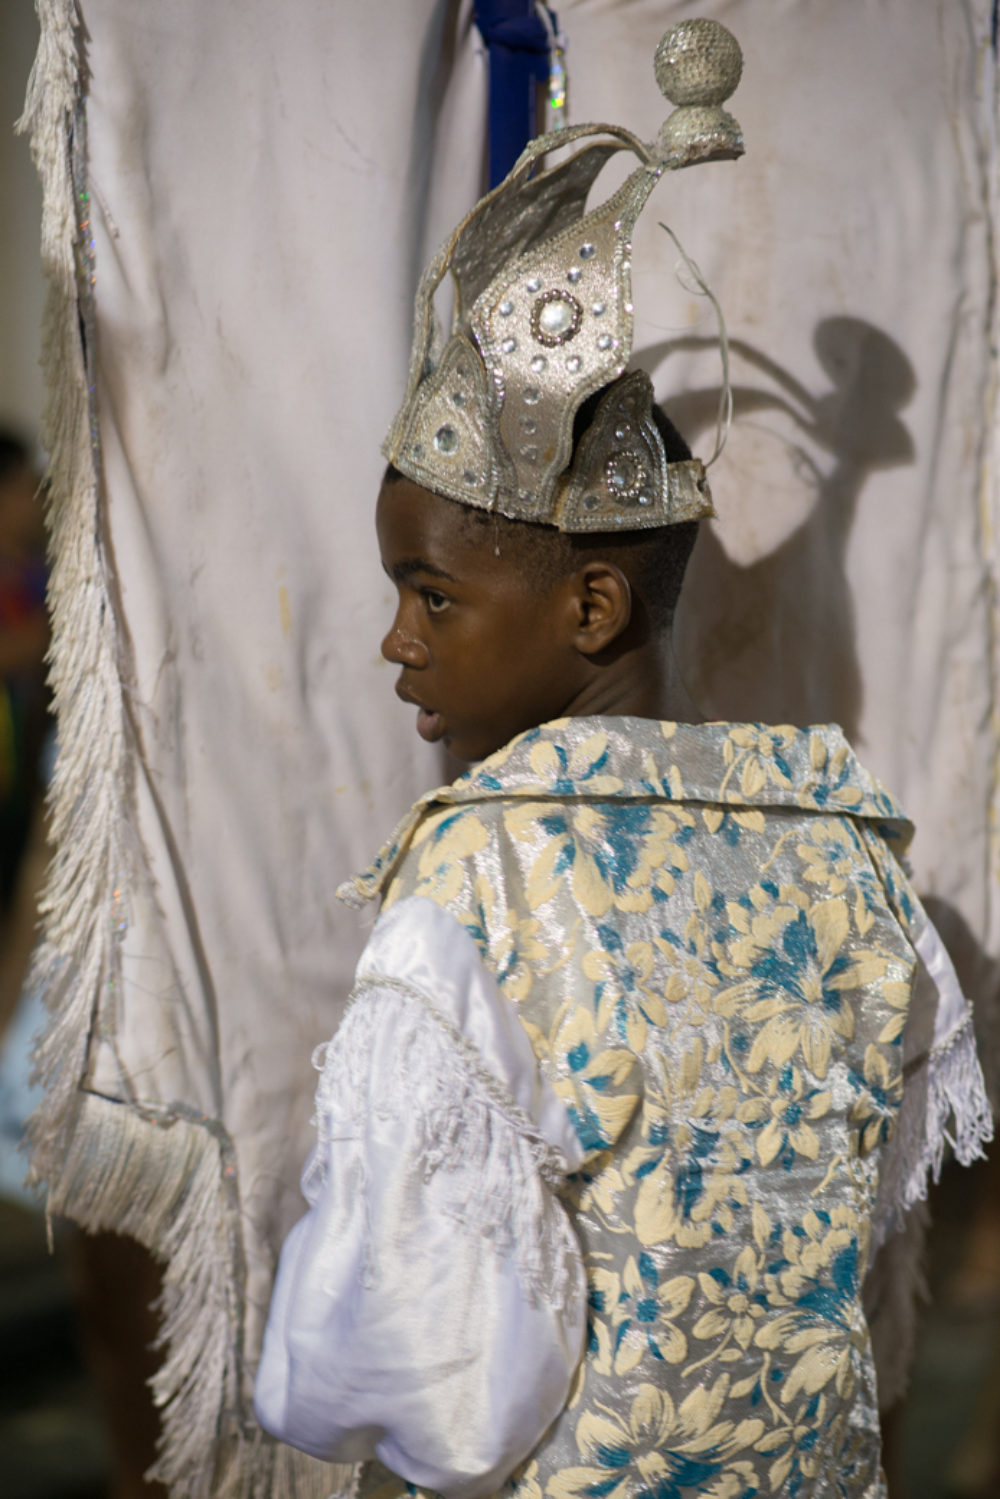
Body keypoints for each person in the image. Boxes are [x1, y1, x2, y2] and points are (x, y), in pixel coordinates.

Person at [254, 20, 992, 1499]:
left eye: (434, 593)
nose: (399, 643)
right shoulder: (844, 839)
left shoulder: (485, 865)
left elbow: (412, 1367)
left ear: (592, 605)